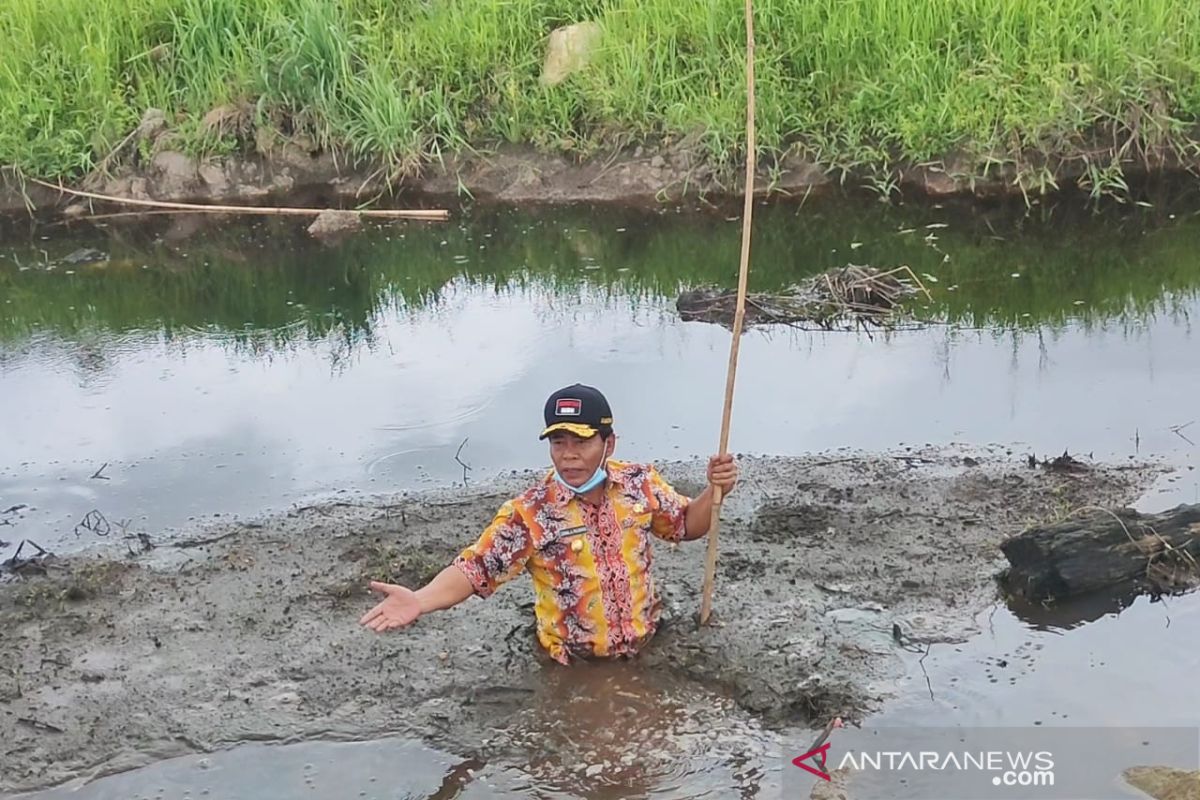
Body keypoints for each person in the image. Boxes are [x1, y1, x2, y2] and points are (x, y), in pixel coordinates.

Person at [359, 384, 738, 664]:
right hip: (572, 664)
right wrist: (420, 600)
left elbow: (687, 525)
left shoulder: (640, 485)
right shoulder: (531, 512)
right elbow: (475, 569)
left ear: (609, 443)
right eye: (558, 443)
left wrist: (713, 490)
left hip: (647, 650)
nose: (569, 456)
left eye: (581, 442)